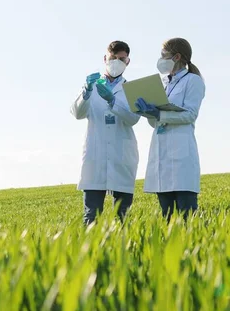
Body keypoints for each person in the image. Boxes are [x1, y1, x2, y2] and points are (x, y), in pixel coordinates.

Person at [134, 38, 206, 220]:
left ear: (177, 57)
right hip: (161, 158)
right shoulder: (165, 83)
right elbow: (157, 122)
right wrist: (149, 114)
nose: (160, 59)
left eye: (163, 55)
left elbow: (190, 114)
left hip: (182, 159)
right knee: (168, 219)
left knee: (187, 218)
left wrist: (160, 115)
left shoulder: (193, 81)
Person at [71, 40, 141, 225]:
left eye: (121, 59)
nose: (116, 62)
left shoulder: (132, 89)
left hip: (122, 156)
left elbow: (133, 118)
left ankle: (125, 252)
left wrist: (112, 101)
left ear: (128, 62)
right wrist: (86, 93)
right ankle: (91, 253)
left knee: (123, 217)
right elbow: (77, 113)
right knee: (91, 217)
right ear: (105, 58)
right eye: (113, 58)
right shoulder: (91, 86)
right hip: (96, 156)